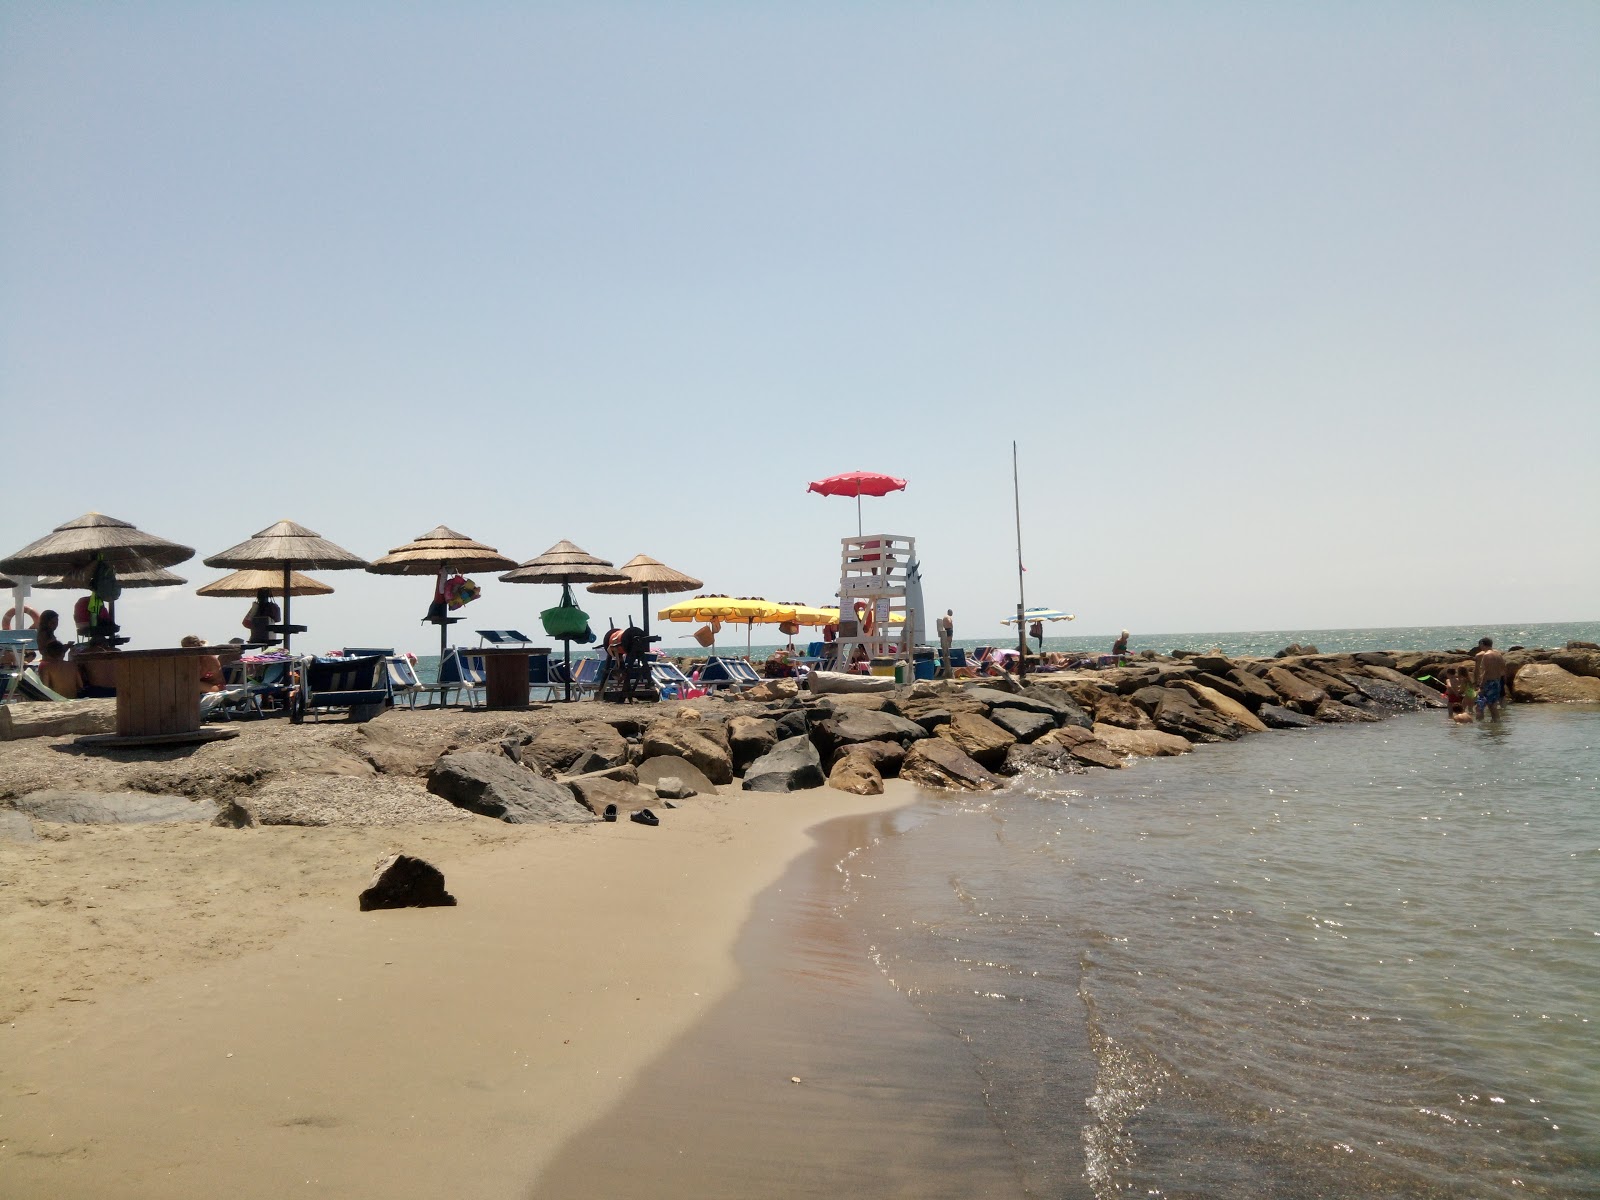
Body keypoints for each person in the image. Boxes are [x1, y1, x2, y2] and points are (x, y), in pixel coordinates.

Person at [1473, 637, 1510, 720]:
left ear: (1482, 644)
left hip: (1488, 682)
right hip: (1497, 682)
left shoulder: (1486, 655)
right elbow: (1503, 669)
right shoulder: (1498, 654)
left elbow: (1486, 671)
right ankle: (1496, 726)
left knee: (1479, 706)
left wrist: (1481, 685)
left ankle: (1480, 727)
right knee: (1493, 706)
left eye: (1480, 645)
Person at [936, 609, 954, 677]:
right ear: (950, 612)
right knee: (949, 642)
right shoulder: (948, 617)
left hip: (946, 630)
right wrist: (951, 625)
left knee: (946, 642)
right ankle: (948, 649)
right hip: (948, 630)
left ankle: (947, 649)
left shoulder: (945, 617)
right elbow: (949, 622)